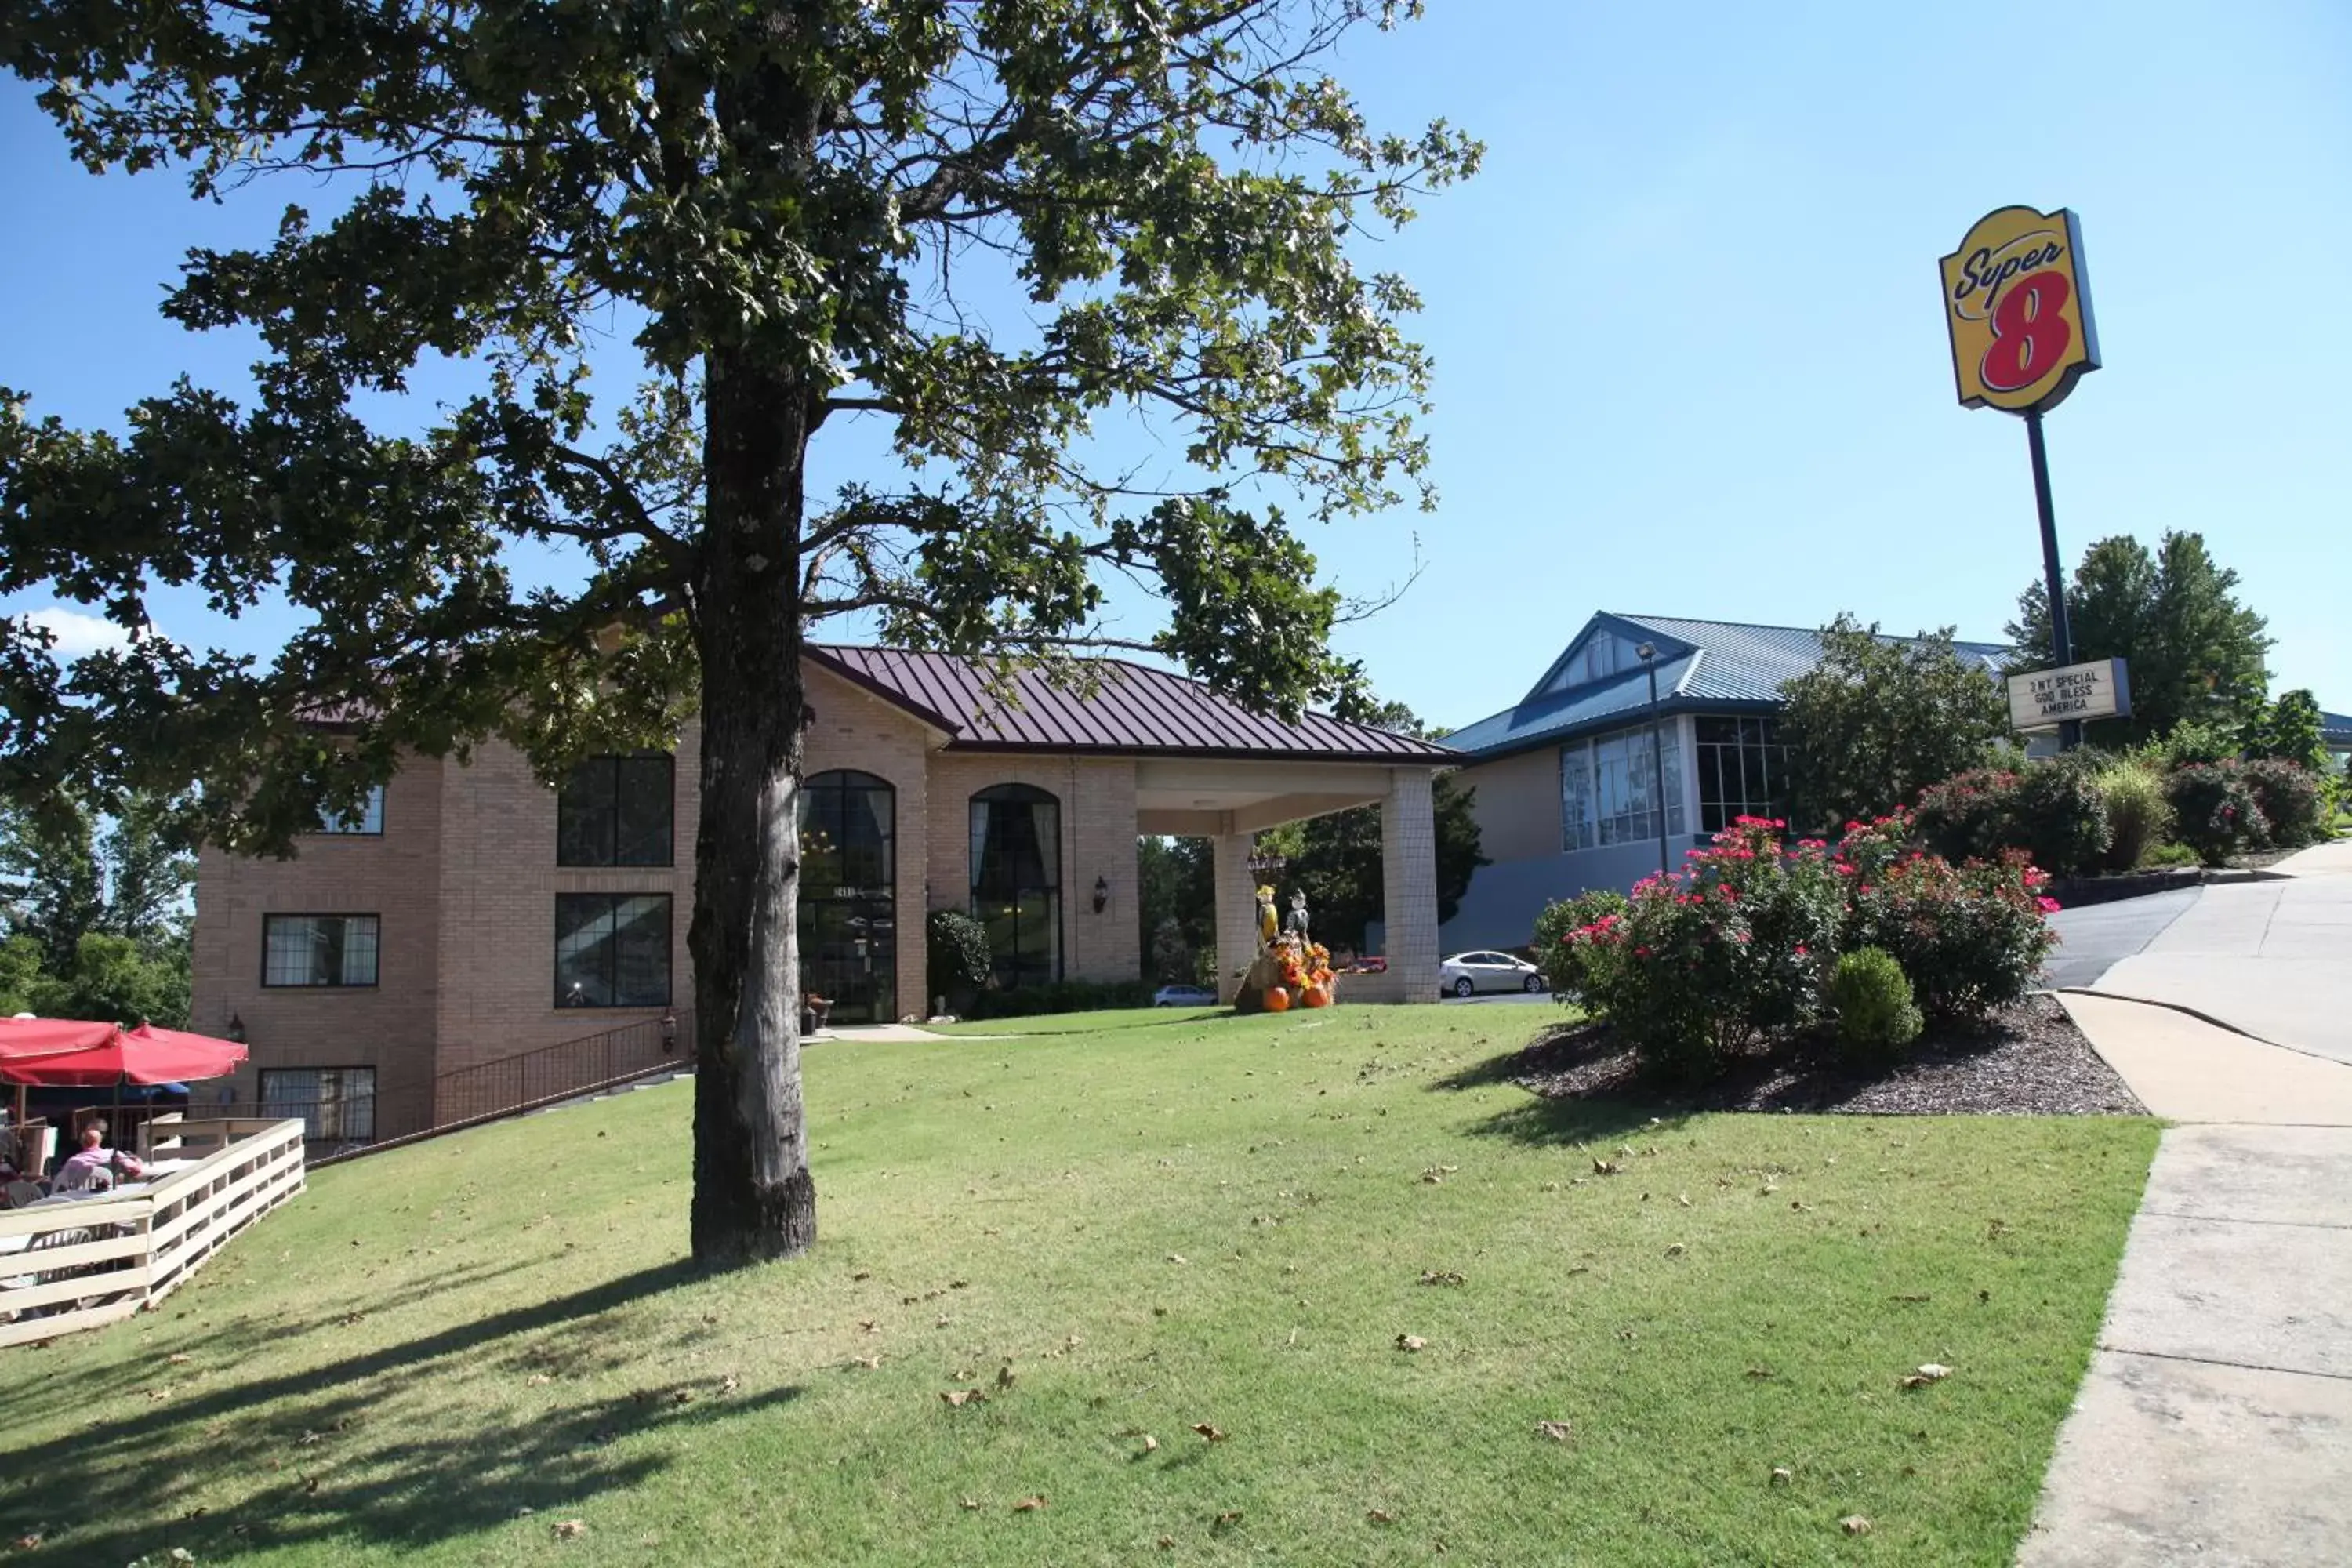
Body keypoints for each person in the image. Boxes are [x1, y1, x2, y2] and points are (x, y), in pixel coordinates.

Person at [47, 1121, 143, 1194]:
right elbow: (137, 1171)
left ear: (82, 1142)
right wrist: (138, 1160)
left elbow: (60, 1183)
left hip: (80, 1200)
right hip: (111, 1196)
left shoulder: (73, 1162)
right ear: (100, 1141)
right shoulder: (114, 1154)